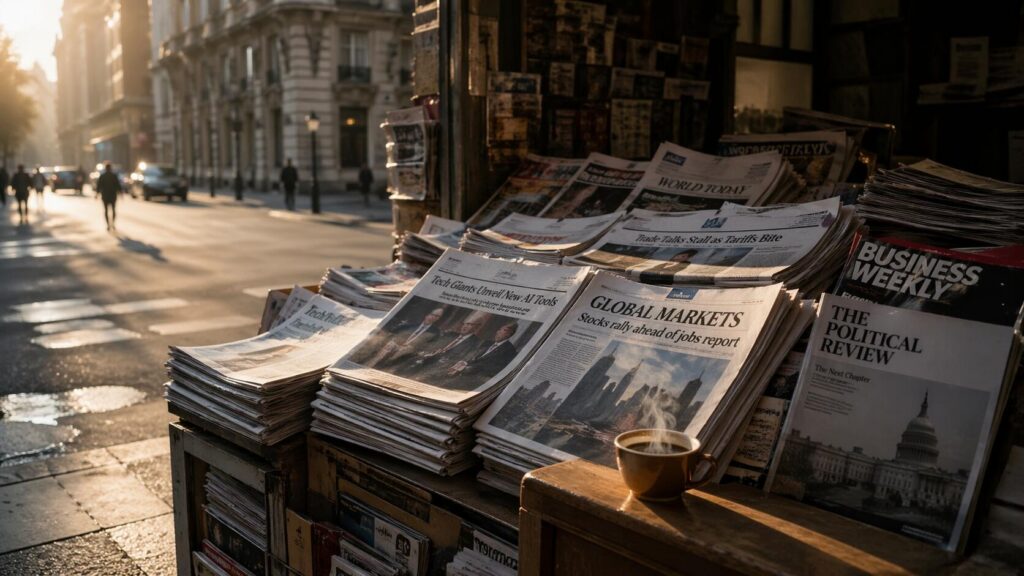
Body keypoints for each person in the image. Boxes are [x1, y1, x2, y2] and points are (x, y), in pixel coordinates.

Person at [398, 315, 485, 382]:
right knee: (406, 362)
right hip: (428, 358)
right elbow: (434, 346)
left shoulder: (476, 342)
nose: (465, 326)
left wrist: (445, 361)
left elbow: (464, 359)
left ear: (476, 328)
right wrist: (427, 353)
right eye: (465, 324)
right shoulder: (451, 334)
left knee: (420, 375)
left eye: (470, 325)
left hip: (443, 365)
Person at [447, 321, 520, 388]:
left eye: (504, 330)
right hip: (468, 372)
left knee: (450, 383)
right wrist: (465, 362)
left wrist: (474, 368)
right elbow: (477, 358)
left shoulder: (509, 349)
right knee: (446, 374)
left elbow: (497, 368)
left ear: (510, 334)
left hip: (479, 378)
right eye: (499, 329)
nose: (498, 332)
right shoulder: (488, 343)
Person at [97, 163, 122, 230]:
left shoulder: (103, 176)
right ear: (110, 168)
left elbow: (99, 186)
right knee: (113, 210)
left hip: (105, 196)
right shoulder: (114, 176)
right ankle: (112, 223)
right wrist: (120, 193)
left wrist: (97, 194)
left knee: (106, 210)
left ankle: (108, 224)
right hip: (113, 196)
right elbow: (118, 185)